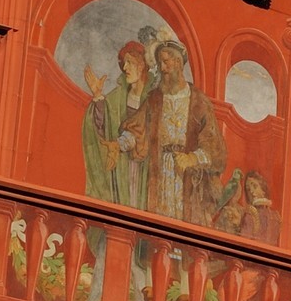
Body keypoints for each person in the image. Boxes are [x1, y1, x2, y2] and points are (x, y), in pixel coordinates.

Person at [118, 41, 224, 226]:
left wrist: (192, 158)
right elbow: (138, 128)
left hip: (188, 178)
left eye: (166, 62)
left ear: (178, 63)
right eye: (160, 63)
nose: (163, 68)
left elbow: (214, 147)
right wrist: (119, 144)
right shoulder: (155, 98)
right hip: (159, 171)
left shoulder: (199, 101)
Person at [81, 42, 152, 209]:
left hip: (144, 169)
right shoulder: (117, 98)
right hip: (120, 169)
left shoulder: (153, 98)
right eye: (124, 63)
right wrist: (98, 97)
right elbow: (102, 127)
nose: (125, 67)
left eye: (130, 62)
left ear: (142, 65)